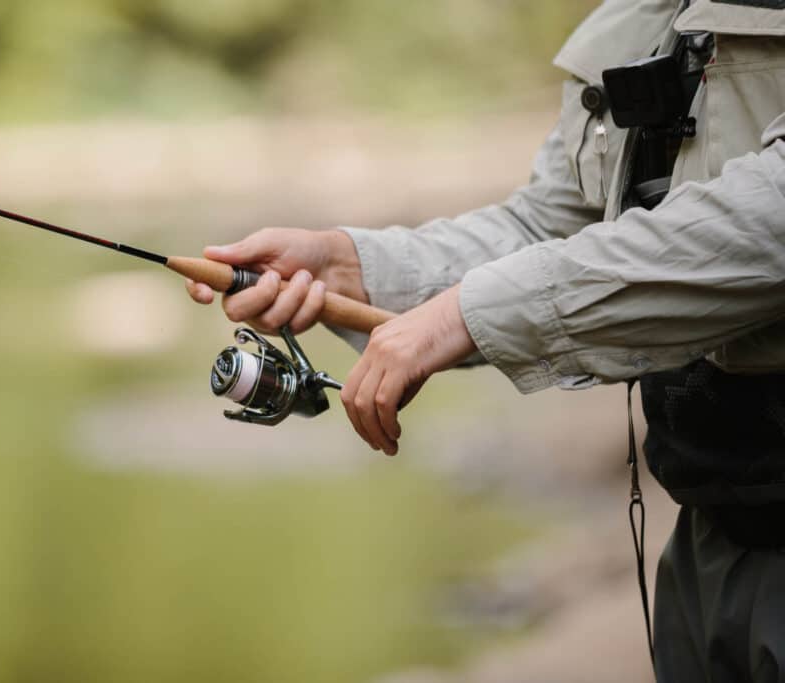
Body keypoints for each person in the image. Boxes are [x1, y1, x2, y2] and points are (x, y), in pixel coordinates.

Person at [186, 0, 785, 680]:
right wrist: (349, 266)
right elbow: (552, 227)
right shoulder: (651, 12)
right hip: (709, 537)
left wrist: (466, 315)